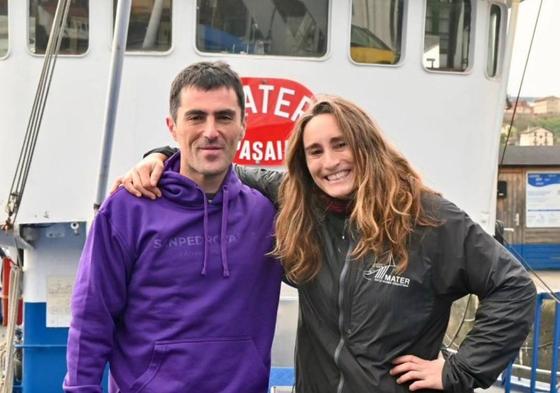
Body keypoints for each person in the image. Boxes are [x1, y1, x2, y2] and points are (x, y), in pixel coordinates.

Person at [119, 95, 536, 392]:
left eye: (341, 145)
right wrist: (160, 158)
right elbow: (228, 171)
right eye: (314, 151)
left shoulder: (426, 217)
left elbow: (513, 288)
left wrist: (458, 371)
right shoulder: (303, 202)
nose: (329, 162)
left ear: (367, 146)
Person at [63, 61, 283, 393]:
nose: (211, 131)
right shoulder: (128, 208)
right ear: (172, 126)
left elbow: (339, 272)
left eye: (224, 117)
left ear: (243, 126)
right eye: (196, 117)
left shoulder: (265, 214)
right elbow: (92, 315)